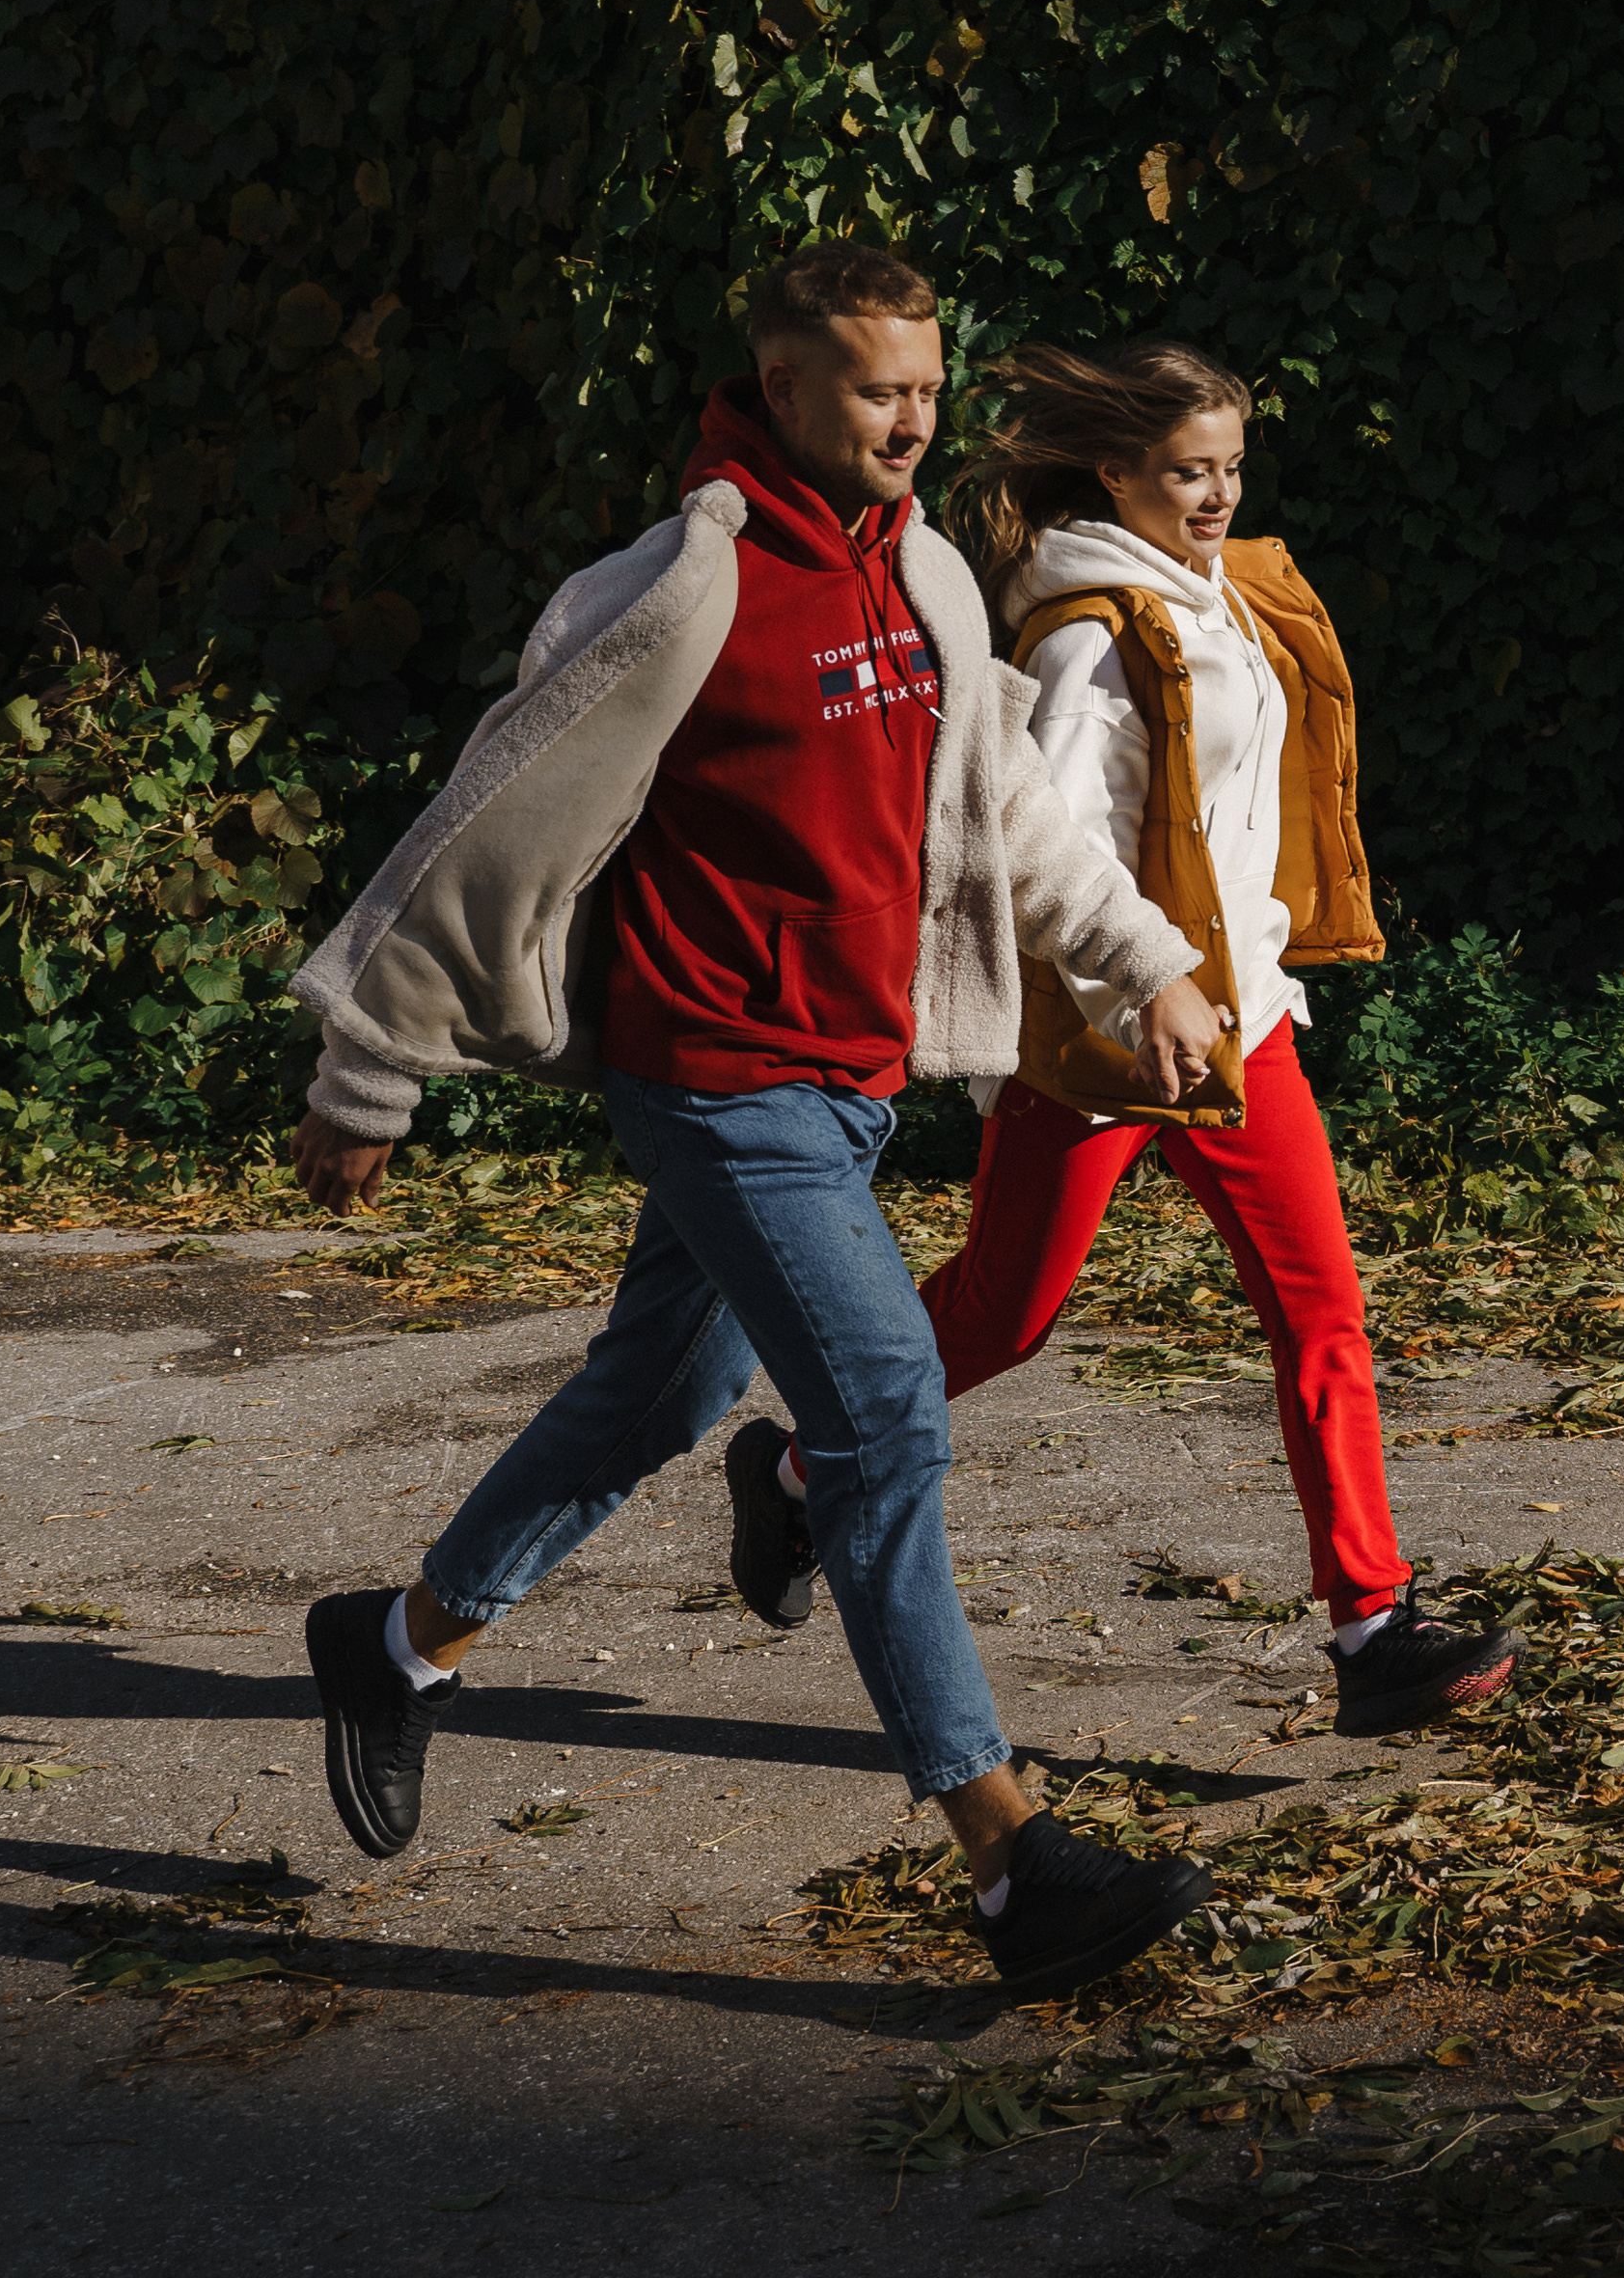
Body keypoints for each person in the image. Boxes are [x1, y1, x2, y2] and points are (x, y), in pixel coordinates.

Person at [289, 244, 1232, 2006]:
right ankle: (1015, 1860)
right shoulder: (678, 588)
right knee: (880, 1414)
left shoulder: (935, 576)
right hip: (716, 1075)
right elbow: (487, 816)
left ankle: (396, 1649)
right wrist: (371, 1067)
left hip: (854, 1085)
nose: (910, 419)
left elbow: (1014, 807)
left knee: (661, 1392)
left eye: (928, 389)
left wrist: (1146, 965)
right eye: (878, 387)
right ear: (783, 382)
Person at [862, 336, 1522, 1736]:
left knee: (1319, 1309)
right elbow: (1052, 848)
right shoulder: (1090, 631)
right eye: (1186, 472)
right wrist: (1131, 997)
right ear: (1117, 473)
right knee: (1003, 1314)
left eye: (1229, 467)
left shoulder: (1219, 596)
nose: (1217, 494)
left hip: (1244, 1024)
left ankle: (1372, 1627)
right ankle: (802, 1470)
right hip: (1109, 1038)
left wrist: (1256, 971)